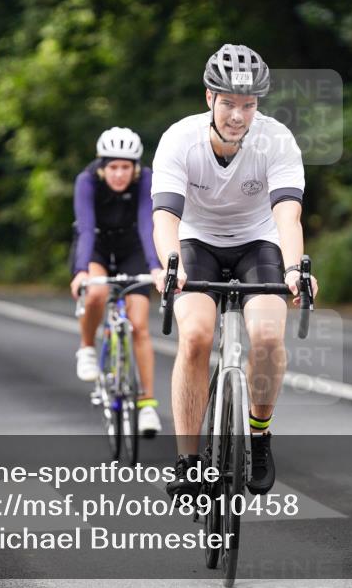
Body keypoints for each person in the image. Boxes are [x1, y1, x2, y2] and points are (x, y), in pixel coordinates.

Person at [151, 44, 319, 497]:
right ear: (209, 98)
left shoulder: (277, 139)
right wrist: (171, 266)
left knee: (266, 336)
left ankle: (259, 434)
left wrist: (291, 269)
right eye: (228, 103)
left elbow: (288, 214)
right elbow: (165, 216)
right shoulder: (179, 140)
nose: (238, 116)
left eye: (248, 105)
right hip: (196, 241)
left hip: (259, 242)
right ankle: (187, 458)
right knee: (196, 335)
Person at [70, 127, 163, 437]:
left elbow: (148, 222)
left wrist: (155, 267)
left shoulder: (145, 180)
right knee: (96, 292)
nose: (119, 174)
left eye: (126, 167)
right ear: (102, 166)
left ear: (135, 167)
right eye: (113, 167)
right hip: (96, 245)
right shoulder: (87, 181)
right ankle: (86, 348)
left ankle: (147, 403)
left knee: (138, 325)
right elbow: (85, 228)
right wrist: (82, 269)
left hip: (131, 248)